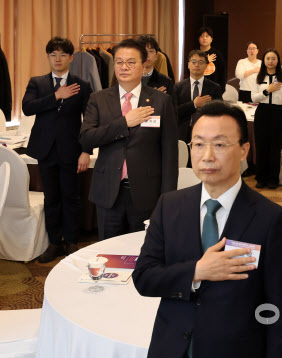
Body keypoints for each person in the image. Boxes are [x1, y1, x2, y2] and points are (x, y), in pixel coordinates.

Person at [133, 100, 282, 358]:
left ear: (244, 150)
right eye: (198, 144)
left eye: (219, 145)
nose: (206, 155)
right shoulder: (169, 205)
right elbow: (144, 278)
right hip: (172, 347)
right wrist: (197, 271)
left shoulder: (270, 219)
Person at [79, 39, 178, 240]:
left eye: (131, 62)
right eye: (119, 62)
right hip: (108, 191)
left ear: (144, 64)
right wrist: (124, 123)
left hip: (146, 193)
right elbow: (86, 139)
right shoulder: (98, 99)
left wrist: (167, 197)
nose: (124, 67)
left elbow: (169, 153)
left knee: (143, 252)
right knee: (108, 251)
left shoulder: (161, 101)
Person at [22, 37, 92, 263]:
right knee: (51, 197)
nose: (58, 59)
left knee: (71, 197)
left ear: (71, 58)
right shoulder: (37, 83)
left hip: (71, 149)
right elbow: (27, 107)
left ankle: (71, 241)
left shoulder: (82, 85)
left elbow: (89, 120)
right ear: (48, 57)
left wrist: (86, 150)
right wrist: (56, 96)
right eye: (53, 54)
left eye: (63, 54)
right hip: (45, 150)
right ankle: (54, 243)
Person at [251, 49, 282, 189]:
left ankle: (273, 179)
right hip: (262, 112)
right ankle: (261, 177)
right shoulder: (258, 77)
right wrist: (268, 90)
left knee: (275, 147)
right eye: (268, 58)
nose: (270, 61)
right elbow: (253, 97)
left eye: (273, 58)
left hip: (278, 113)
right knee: (261, 146)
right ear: (264, 60)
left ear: (278, 61)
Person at [174, 50, 223, 144]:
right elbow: (174, 112)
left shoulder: (214, 88)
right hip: (183, 133)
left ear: (206, 66)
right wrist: (194, 104)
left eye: (201, 62)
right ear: (188, 65)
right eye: (193, 62)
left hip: (207, 133)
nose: (196, 65)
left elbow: (219, 113)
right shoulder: (178, 87)